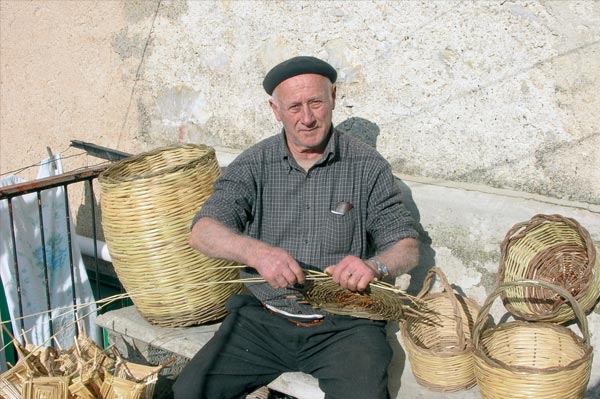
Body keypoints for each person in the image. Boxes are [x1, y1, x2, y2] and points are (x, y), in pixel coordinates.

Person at [173, 55, 419, 399]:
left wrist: (375, 266)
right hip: (263, 320)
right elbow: (203, 231)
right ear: (276, 111)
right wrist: (257, 253)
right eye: (294, 107)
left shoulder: (367, 166)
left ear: (333, 96)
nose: (307, 118)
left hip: (346, 325)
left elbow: (406, 246)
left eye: (316, 102)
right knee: (188, 393)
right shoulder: (254, 163)